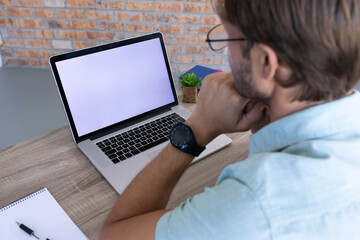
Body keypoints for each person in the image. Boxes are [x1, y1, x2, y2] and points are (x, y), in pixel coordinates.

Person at [99, 0, 360, 239]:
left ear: (266, 63)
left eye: (229, 37)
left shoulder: (253, 202)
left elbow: (113, 234)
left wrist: (198, 127)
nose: (226, 53)